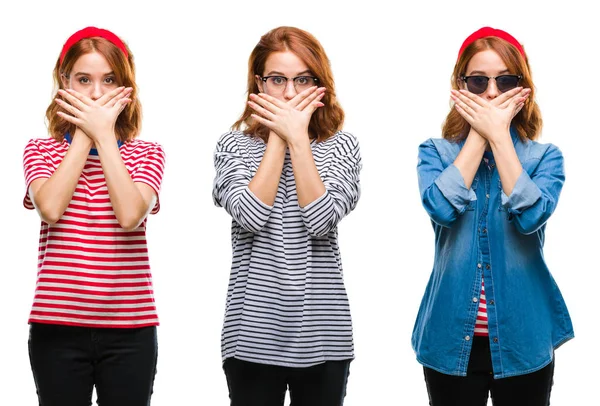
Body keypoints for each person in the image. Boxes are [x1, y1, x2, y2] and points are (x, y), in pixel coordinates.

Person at [412, 26, 574, 406]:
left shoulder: (545, 157)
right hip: (449, 339)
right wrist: (480, 134)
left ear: (523, 87)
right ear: (460, 86)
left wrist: (500, 137)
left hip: (524, 340)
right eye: (478, 81)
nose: (490, 92)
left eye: (504, 81)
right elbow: (440, 208)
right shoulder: (435, 152)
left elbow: (533, 215)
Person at [212, 26, 361, 406]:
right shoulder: (233, 145)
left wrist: (298, 139)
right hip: (251, 336)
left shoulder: (341, 146)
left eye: (302, 80)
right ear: (259, 84)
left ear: (320, 83)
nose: (290, 93)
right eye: (277, 80)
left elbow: (321, 219)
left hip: (324, 335)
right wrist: (280, 136)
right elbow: (249, 215)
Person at [23, 26, 165, 406]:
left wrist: (105, 137)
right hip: (56, 328)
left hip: (130, 330)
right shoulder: (40, 151)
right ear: (64, 82)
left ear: (126, 87)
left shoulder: (147, 154)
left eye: (109, 80)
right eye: (84, 80)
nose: (97, 93)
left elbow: (131, 215)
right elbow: (50, 209)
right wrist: (86, 133)